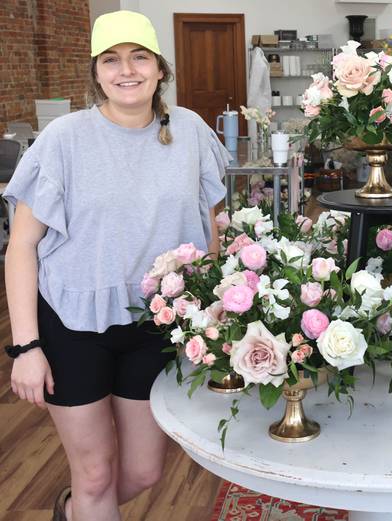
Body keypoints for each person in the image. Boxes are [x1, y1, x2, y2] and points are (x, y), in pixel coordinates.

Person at [4, 11, 229, 521]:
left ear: (160, 70)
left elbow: (207, 223)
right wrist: (26, 347)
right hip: (71, 323)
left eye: (139, 57)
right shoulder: (62, 139)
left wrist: (215, 311)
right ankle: (85, 503)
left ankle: (73, 510)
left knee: (146, 472)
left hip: (157, 321)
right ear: (96, 72)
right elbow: (21, 247)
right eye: (111, 59)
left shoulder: (190, 130)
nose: (126, 70)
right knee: (96, 474)